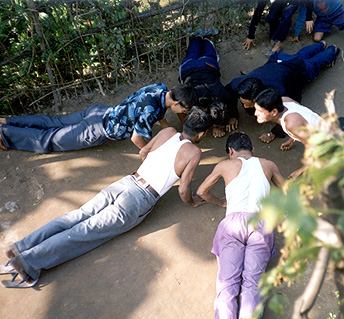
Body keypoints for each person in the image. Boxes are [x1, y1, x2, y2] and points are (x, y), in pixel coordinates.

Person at [0, 107, 213, 288]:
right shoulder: (194, 153)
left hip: (126, 182)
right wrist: (192, 202)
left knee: (75, 217)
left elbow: (143, 152)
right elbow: (183, 190)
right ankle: (28, 262)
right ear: (201, 134)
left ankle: (21, 246)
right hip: (139, 199)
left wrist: (151, 168)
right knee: (84, 232)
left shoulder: (168, 132)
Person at [196, 132, 284, 319]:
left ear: (230, 152)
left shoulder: (225, 165)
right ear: (253, 150)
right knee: (252, 284)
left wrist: (220, 202)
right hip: (260, 224)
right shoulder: (268, 164)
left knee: (227, 283)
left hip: (232, 225)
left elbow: (201, 191)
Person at [0, 83, 198, 153]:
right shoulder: (148, 111)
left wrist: (165, 128)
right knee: (49, 140)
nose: (183, 113)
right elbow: (137, 139)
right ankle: (5, 133)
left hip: (99, 111)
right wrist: (150, 152)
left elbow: (160, 113)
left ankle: (6, 121)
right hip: (96, 130)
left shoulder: (160, 88)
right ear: (177, 104)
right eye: (184, 109)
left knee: (54, 122)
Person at [226, 41, 340, 143]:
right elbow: (227, 93)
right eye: (243, 103)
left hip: (295, 69)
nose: (245, 106)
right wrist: (233, 115)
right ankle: (321, 44)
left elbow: (294, 101)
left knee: (314, 64)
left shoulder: (278, 92)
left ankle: (332, 49)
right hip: (278, 60)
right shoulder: (238, 85)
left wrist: (275, 133)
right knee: (299, 56)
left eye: (248, 104)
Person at [254, 87, 323, 178]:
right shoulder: (284, 100)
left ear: (274, 112)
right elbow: (302, 119)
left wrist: (303, 170)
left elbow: (312, 147)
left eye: (260, 111)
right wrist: (292, 139)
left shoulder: (291, 124)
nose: (255, 114)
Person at [179, 36, 238, 138]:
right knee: (193, 54)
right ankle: (202, 40)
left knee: (208, 54)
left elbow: (232, 97)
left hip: (206, 65)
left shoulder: (222, 95)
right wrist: (221, 123)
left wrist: (233, 116)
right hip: (188, 69)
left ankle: (201, 39)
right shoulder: (194, 102)